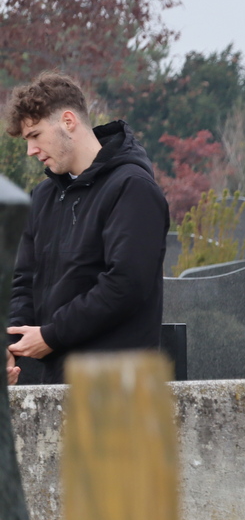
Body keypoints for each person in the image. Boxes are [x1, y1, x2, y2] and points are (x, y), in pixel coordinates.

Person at [5, 71, 169, 385]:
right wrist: (10, 346)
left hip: (118, 385)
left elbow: (125, 284)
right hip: (55, 385)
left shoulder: (132, 187)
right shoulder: (42, 197)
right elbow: (24, 281)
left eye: (35, 135)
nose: (30, 150)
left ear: (68, 121)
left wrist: (53, 335)